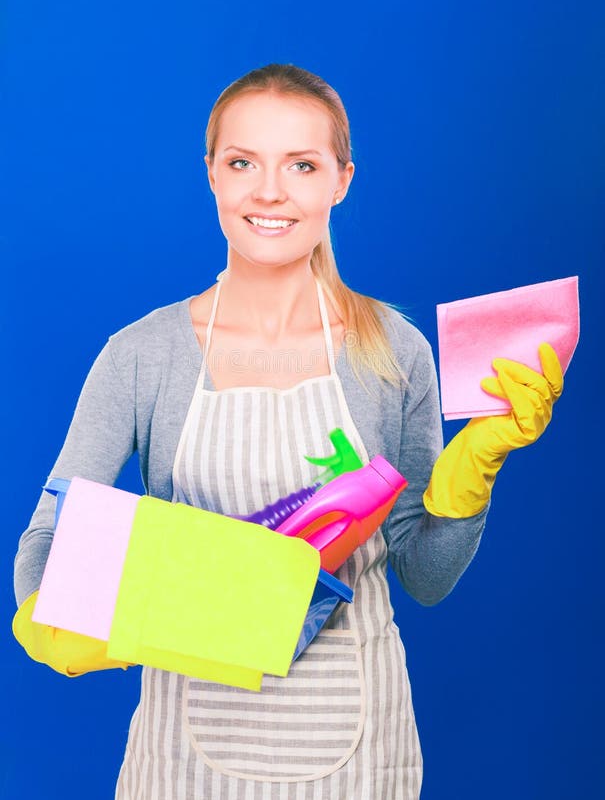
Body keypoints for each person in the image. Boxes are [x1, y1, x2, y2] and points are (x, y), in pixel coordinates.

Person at [12, 62, 563, 799]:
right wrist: (51, 606)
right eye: (243, 162)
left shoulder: (394, 351)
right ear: (211, 173)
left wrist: (476, 472)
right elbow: (50, 535)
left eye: (301, 165)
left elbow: (426, 578)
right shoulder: (142, 355)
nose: (269, 191)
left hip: (361, 752)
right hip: (183, 757)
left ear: (341, 179)